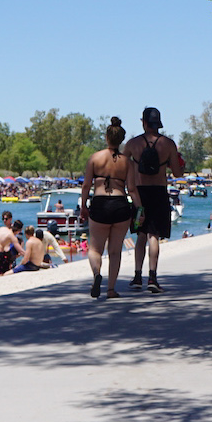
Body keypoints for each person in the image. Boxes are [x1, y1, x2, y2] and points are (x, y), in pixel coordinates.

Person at [123, 106, 184, 293]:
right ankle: (153, 277)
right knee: (154, 236)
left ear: (143, 122)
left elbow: (122, 168)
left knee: (141, 235)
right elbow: (177, 172)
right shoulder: (168, 144)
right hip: (159, 191)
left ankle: (136, 276)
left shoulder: (132, 144)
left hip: (139, 192)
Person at [80, 116, 138, 299]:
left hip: (100, 204)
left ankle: (97, 273)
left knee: (95, 249)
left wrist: (83, 206)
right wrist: (140, 210)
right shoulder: (127, 162)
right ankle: (111, 289)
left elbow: (86, 186)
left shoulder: (94, 158)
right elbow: (133, 190)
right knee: (115, 251)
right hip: (121, 205)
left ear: (106, 137)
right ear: (121, 140)